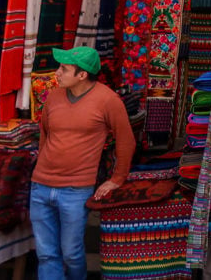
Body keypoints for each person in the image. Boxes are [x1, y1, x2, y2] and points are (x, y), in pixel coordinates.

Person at [31, 47, 134, 280]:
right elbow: (45, 132)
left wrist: (116, 179)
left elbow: (126, 141)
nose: (57, 73)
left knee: (71, 253)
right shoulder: (55, 95)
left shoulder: (108, 100)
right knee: (46, 254)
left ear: (82, 75)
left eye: (64, 69)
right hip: (41, 185)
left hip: (75, 189)